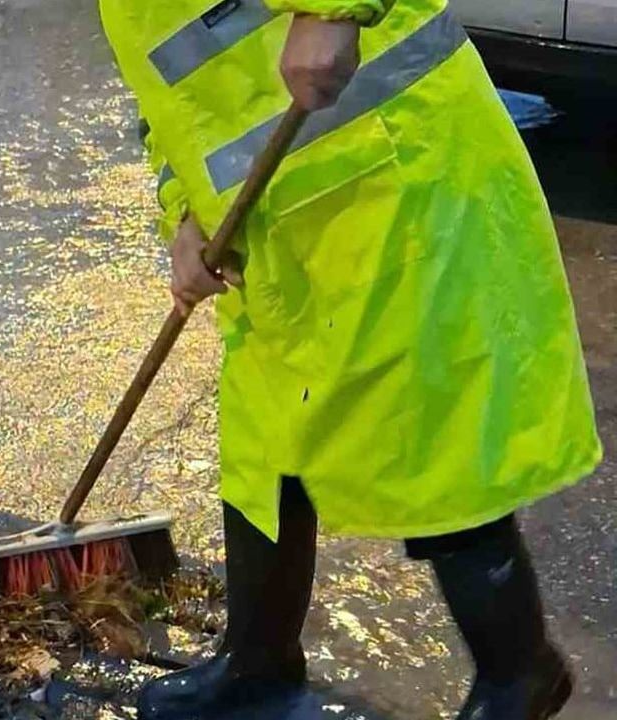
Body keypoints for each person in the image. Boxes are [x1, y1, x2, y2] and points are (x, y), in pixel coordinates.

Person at [97, 1, 604, 718]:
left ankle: (519, 674)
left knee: (426, 427)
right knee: (268, 443)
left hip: (389, 177)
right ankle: (258, 664)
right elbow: (169, 90)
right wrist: (185, 212)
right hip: (274, 222)